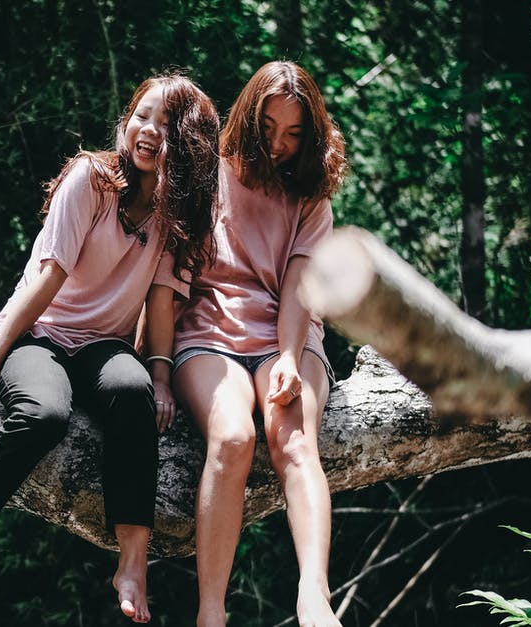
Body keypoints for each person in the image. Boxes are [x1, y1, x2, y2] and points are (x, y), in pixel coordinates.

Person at [0, 73, 220, 624]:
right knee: (44, 413)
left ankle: (132, 562)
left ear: (187, 143)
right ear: (126, 120)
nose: (149, 132)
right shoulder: (90, 181)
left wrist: (163, 378)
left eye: (167, 127)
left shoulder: (174, 215)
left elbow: (162, 304)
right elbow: (47, 279)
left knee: (133, 390)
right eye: (142, 116)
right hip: (39, 336)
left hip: (104, 347)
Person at [171, 61, 347, 627]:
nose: (278, 144)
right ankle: (211, 612)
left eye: (294, 134)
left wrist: (291, 361)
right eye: (268, 128)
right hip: (209, 334)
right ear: (247, 118)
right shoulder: (209, 171)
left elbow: (298, 285)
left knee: (293, 441)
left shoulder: (311, 193)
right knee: (232, 436)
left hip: (286, 332)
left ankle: (314, 594)